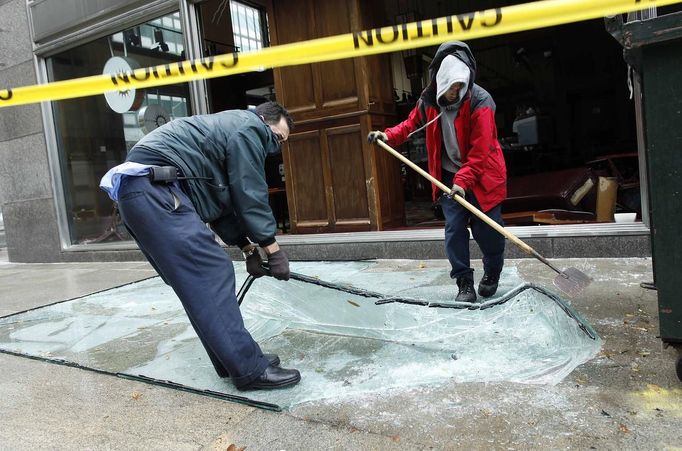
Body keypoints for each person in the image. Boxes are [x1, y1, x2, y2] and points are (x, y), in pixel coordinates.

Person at [100, 101, 301, 390]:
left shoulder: (222, 132)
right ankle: (249, 370)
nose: (275, 148)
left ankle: (232, 360)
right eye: (277, 139)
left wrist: (246, 248)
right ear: (264, 120)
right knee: (211, 274)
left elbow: (220, 203)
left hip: (144, 192)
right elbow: (249, 190)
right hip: (157, 190)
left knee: (197, 283)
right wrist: (272, 248)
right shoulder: (249, 126)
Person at [368, 41, 507, 303]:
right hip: (448, 177)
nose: (456, 91)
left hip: (482, 177)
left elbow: (480, 152)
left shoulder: (481, 101)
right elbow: (410, 125)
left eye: (459, 86)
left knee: (488, 231)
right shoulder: (430, 101)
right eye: (452, 86)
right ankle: (464, 282)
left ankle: (492, 272)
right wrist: (387, 136)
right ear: (441, 81)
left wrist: (464, 181)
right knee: (454, 229)